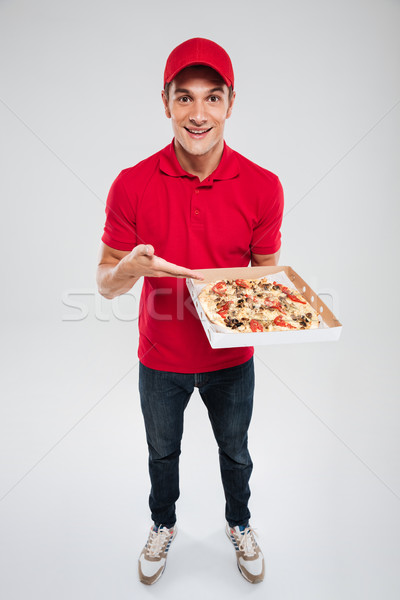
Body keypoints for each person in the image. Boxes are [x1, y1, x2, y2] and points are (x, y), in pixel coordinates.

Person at [96, 37, 284, 585]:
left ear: (230, 103)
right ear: (165, 103)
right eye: (184, 98)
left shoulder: (264, 186)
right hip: (160, 357)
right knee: (162, 454)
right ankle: (163, 523)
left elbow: (265, 278)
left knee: (236, 453)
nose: (198, 114)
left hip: (231, 357)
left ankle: (239, 523)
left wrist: (281, 307)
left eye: (212, 98)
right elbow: (106, 286)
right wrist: (133, 266)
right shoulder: (131, 185)